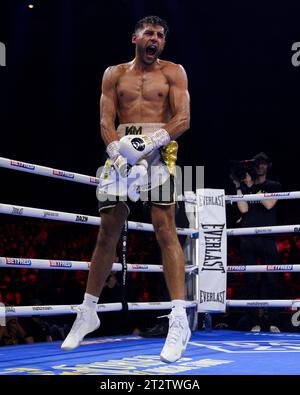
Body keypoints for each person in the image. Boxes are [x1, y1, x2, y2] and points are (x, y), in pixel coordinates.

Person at [61, 15, 191, 363]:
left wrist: (150, 143)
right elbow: (106, 120)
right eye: (149, 33)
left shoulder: (174, 72)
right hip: (120, 154)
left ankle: (179, 319)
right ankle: (88, 310)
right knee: (107, 233)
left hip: (160, 152)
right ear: (135, 37)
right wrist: (117, 153)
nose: (155, 39)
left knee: (166, 230)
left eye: (161, 35)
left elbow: (182, 119)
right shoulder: (113, 74)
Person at [232, 152, 282, 332]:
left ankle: (274, 321)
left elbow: (268, 204)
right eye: (257, 163)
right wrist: (239, 186)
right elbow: (243, 210)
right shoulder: (247, 187)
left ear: (268, 165)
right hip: (248, 238)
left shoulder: (274, 185)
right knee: (250, 280)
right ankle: (254, 321)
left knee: (271, 280)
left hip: (268, 238)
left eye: (263, 163)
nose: (260, 166)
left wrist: (251, 186)